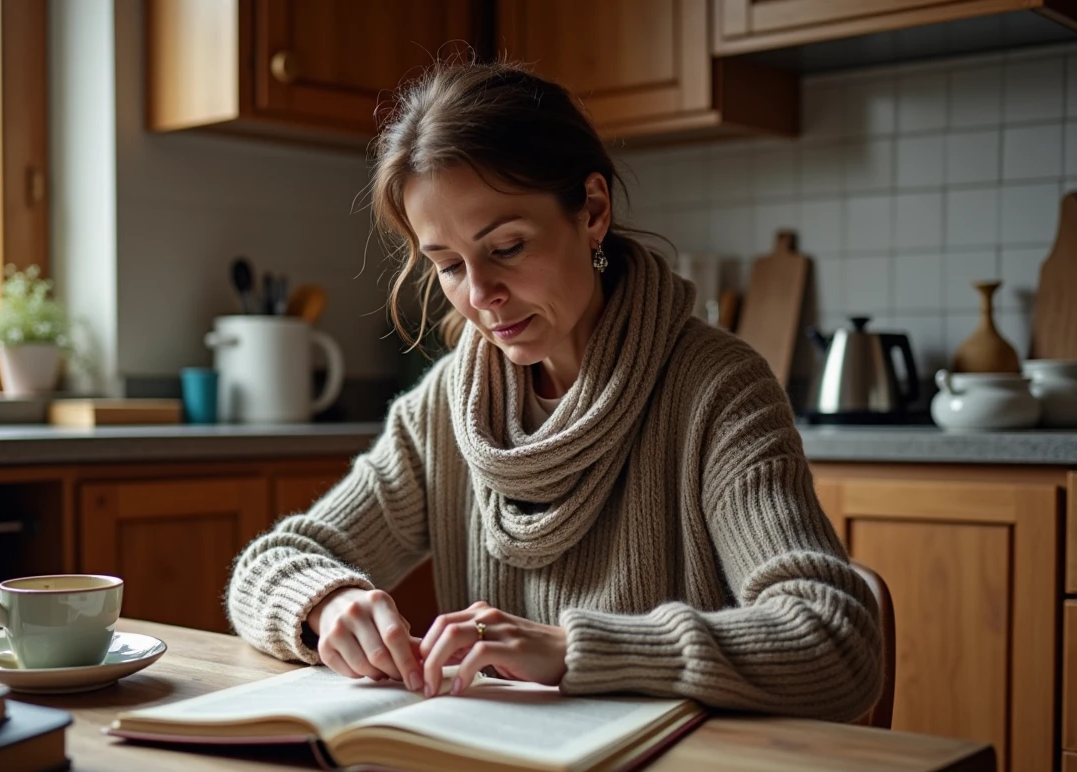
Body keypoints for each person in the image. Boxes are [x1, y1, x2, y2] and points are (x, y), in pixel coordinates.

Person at [227, 59, 882, 722]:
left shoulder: (718, 390)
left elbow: (834, 641)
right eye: (448, 265)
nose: (480, 296)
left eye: (506, 246)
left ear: (592, 210)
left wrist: (576, 650)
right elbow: (274, 563)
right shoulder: (447, 405)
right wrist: (327, 601)